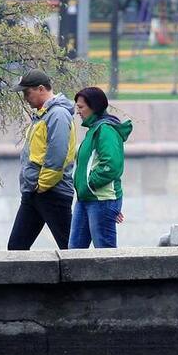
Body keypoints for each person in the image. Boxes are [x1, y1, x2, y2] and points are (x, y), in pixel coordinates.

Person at [8, 69, 76, 250]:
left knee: (70, 249)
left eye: (27, 92)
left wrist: (42, 185)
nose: (25, 98)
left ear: (40, 89)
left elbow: (57, 155)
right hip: (35, 192)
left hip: (52, 192)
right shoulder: (43, 115)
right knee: (16, 248)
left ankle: (93, 278)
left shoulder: (58, 115)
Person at [70, 86, 133, 249]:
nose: (78, 112)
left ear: (94, 107)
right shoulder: (93, 129)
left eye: (81, 107)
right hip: (85, 200)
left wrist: (90, 183)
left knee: (105, 254)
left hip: (101, 200)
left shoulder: (106, 130)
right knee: (74, 254)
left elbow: (111, 165)